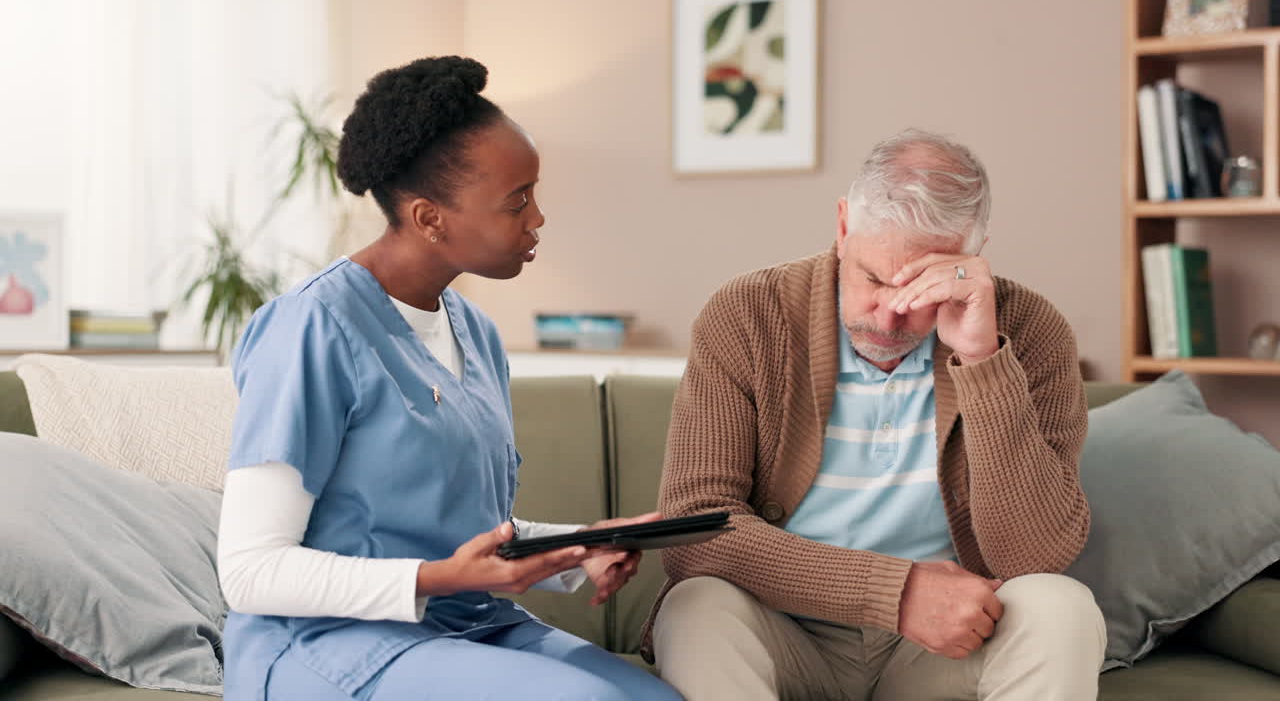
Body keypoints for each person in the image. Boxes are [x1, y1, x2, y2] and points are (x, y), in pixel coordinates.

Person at [216, 56, 682, 701]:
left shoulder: (475, 331)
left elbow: (456, 532)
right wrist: (440, 580)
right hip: (325, 641)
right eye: (517, 202)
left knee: (651, 698)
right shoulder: (311, 328)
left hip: (467, 623)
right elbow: (250, 571)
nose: (537, 218)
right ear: (429, 217)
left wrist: (581, 547)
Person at [647, 129, 1106, 700]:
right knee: (697, 607)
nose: (888, 320)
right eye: (872, 279)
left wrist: (983, 361)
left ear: (973, 257)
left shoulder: (1032, 330)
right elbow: (695, 529)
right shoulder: (747, 315)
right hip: (784, 626)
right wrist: (897, 592)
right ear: (843, 227)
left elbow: (1034, 557)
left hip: (945, 647)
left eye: (919, 293)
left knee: (1059, 607)